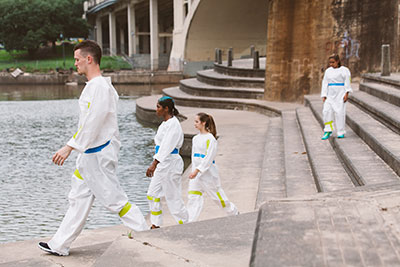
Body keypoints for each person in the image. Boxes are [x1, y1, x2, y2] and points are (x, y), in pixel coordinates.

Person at [38, 40, 148, 256]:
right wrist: (75, 147)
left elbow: (93, 123)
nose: (75, 64)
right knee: (78, 199)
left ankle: (144, 231)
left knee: (114, 200)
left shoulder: (99, 88)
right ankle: (59, 244)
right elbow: (89, 124)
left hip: (97, 155)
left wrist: (69, 147)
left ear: (89, 59)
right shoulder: (98, 87)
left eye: (77, 59)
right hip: (90, 154)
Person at [146, 96, 188, 229]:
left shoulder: (174, 125)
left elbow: (166, 147)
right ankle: (156, 224)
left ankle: (185, 223)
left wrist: (154, 164)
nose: (156, 110)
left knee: (172, 197)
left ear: (166, 109)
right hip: (163, 163)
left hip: (170, 162)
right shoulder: (165, 124)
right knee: (152, 194)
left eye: (158, 107)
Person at [187, 113, 238, 222]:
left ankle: (233, 212)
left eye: (197, 121)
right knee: (193, 196)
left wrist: (198, 170)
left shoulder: (211, 139)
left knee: (217, 197)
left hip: (208, 174)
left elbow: (209, 158)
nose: (194, 124)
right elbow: (193, 157)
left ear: (203, 123)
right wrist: (194, 171)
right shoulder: (195, 138)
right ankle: (190, 221)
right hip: (196, 174)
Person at [320, 54, 352, 140]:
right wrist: (324, 94)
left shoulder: (344, 70)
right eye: (330, 62)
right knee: (326, 111)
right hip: (330, 93)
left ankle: (340, 131)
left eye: (333, 62)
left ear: (337, 61)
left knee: (339, 112)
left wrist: (346, 93)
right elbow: (325, 82)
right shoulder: (328, 71)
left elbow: (347, 82)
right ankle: (328, 130)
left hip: (340, 92)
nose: (331, 64)